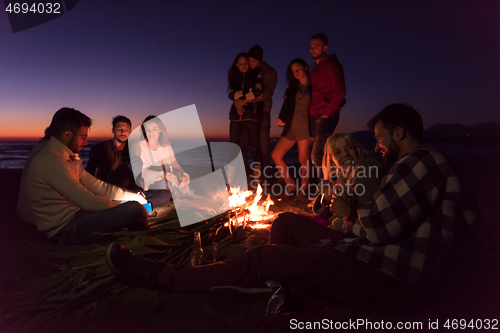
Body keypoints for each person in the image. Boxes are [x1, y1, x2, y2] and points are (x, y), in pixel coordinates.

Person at [105, 104, 477, 305]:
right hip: (361, 252)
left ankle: (162, 277)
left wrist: (346, 214)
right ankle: (273, 284)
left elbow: (377, 228)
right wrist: (342, 213)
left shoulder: (423, 162)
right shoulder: (406, 168)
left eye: (380, 138)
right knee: (283, 223)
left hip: (381, 276)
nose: (377, 145)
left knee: (263, 257)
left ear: (400, 133)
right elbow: (360, 218)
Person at [17, 107, 149, 245]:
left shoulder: (67, 158)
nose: (86, 143)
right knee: (135, 211)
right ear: (67, 135)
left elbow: (99, 186)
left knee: (133, 205)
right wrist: (123, 207)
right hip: (66, 228)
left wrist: (133, 196)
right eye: (83, 137)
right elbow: (88, 202)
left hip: (77, 216)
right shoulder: (50, 161)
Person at [311, 133, 382, 231]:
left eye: (349, 148)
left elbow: (365, 216)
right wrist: (325, 191)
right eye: (338, 152)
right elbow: (321, 211)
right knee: (293, 223)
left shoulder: (365, 167)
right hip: (341, 221)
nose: (345, 154)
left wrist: (332, 227)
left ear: (357, 149)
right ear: (332, 160)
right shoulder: (338, 175)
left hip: (355, 228)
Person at [236, 45, 278, 182]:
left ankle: (265, 178)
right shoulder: (249, 71)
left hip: (263, 112)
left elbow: (266, 93)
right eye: (249, 60)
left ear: (259, 60)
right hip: (249, 113)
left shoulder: (270, 72)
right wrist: (240, 100)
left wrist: (242, 100)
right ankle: (245, 177)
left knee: (263, 145)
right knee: (243, 143)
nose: (250, 64)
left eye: (253, 61)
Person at [271, 58, 312, 197]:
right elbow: (286, 107)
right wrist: (281, 120)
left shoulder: (314, 86)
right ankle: (290, 184)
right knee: (276, 155)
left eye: (298, 68)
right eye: (293, 71)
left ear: (305, 67)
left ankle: (303, 192)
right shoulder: (291, 89)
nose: (296, 72)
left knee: (303, 159)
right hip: (291, 128)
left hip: (306, 127)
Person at [129, 115, 191, 208]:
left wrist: (186, 175)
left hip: (162, 185)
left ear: (160, 130)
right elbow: (139, 173)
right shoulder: (138, 145)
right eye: (147, 129)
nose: (151, 133)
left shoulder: (166, 147)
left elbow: (174, 164)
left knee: (176, 180)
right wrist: (164, 174)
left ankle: (188, 200)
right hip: (144, 186)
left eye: (154, 129)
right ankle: (138, 208)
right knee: (167, 186)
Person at [309, 33, 347, 178]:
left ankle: (326, 191)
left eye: (316, 46)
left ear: (325, 48)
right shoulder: (315, 68)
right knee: (323, 157)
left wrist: (327, 112)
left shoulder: (331, 65)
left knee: (316, 157)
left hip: (325, 116)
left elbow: (340, 91)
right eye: (311, 46)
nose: (312, 49)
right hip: (316, 115)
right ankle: (328, 191)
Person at [227, 52, 263, 181]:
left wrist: (239, 101)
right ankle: (235, 178)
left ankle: (257, 178)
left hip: (251, 115)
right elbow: (231, 95)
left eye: (245, 64)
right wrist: (239, 100)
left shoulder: (256, 75)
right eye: (240, 64)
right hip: (235, 116)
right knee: (234, 147)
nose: (243, 66)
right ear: (236, 65)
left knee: (254, 146)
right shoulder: (234, 78)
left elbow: (257, 92)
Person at [86, 115, 136, 190]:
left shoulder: (133, 149)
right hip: (106, 188)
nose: (123, 133)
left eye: (126, 130)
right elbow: (91, 174)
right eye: (119, 129)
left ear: (130, 131)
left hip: (129, 189)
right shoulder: (100, 148)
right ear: (113, 130)